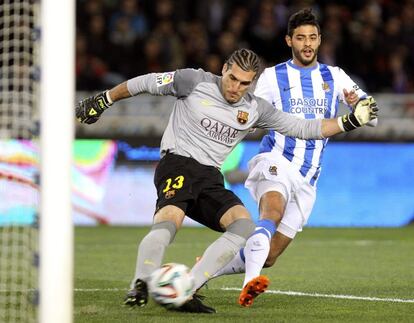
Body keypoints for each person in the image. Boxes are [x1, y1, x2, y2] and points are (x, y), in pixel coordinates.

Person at [75, 48, 377, 313]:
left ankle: (187, 288)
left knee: (244, 226)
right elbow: (146, 82)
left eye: (245, 83)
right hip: (177, 162)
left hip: (209, 176)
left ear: (252, 83)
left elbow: (301, 127)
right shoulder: (192, 81)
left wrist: (347, 121)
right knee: (170, 221)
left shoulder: (255, 108)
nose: (235, 88)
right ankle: (140, 282)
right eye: (232, 78)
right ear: (223, 70)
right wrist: (104, 99)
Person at [213, 9, 379, 308]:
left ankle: (199, 273)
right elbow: (247, 113)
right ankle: (248, 284)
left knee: (271, 255)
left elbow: (373, 117)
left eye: (312, 38)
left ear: (319, 41)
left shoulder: (335, 76)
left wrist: (360, 103)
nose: (307, 44)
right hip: (276, 159)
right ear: (289, 40)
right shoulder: (273, 77)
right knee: (272, 212)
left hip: (308, 178)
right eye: (301, 37)